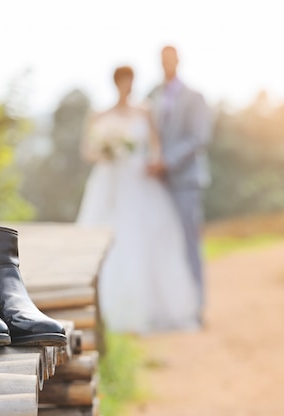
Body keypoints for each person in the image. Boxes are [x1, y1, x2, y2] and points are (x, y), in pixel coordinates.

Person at [76, 65, 199, 334]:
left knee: (144, 237)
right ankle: (108, 309)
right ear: (116, 83)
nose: (128, 86)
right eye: (124, 81)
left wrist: (154, 163)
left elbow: (155, 144)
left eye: (131, 81)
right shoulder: (99, 114)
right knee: (109, 237)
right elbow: (88, 151)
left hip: (138, 180)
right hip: (110, 182)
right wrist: (107, 152)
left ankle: (148, 308)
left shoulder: (144, 111)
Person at [146, 46, 212, 320]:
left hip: (185, 181)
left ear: (178, 60)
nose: (165, 64)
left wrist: (168, 161)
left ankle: (197, 305)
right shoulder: (154, 96)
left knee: (189, 241)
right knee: (163, 243)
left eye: (169, 59)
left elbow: (199, 137)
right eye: (161, 60)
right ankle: (171, 304)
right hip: (159, 184)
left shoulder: (195, 97)